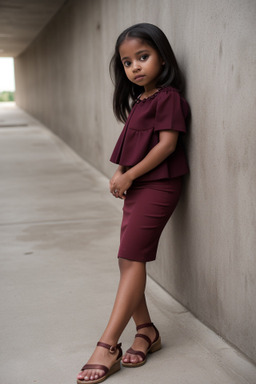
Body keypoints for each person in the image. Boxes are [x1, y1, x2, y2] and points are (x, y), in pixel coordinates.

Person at [77, 22, 190, 384]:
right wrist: (121, 173)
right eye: (127, 62)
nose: (136, 67)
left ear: (162, 57)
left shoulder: (168, 98)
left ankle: (107, 345)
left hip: (159, 185)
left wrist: (129, 175)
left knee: (132, 259)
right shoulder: (141, 100)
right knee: (127, 259)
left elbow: (166, 145)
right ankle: (146, 331)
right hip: (139, 185)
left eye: (143, 57)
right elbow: (133, 143)